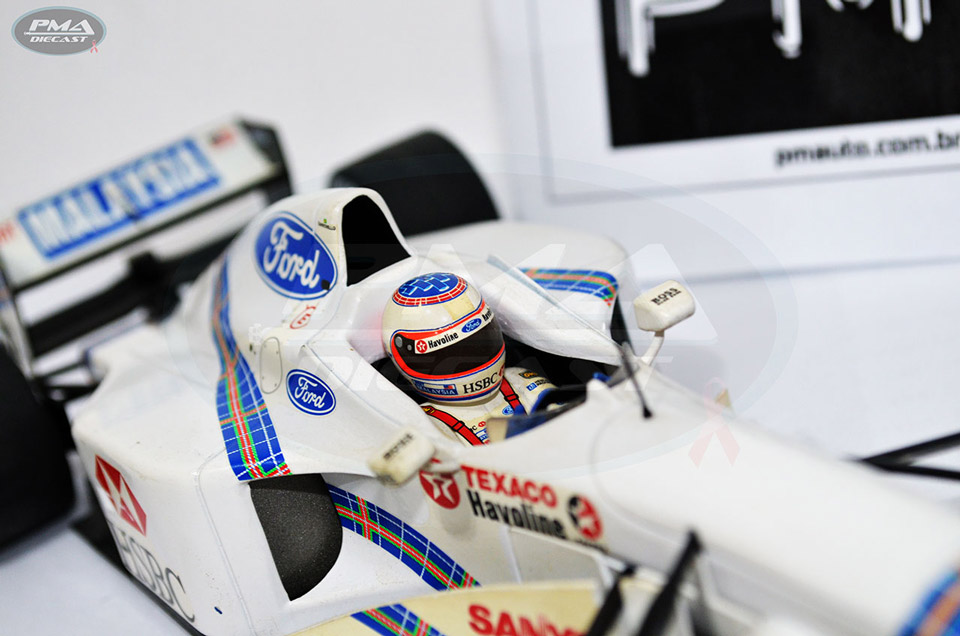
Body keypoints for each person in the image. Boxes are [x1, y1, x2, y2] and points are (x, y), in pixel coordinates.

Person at [381, 272, 554, 446]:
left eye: (480, 343)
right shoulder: (423, 424)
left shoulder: (521, 381)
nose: (469, 358)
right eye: (448, 355)